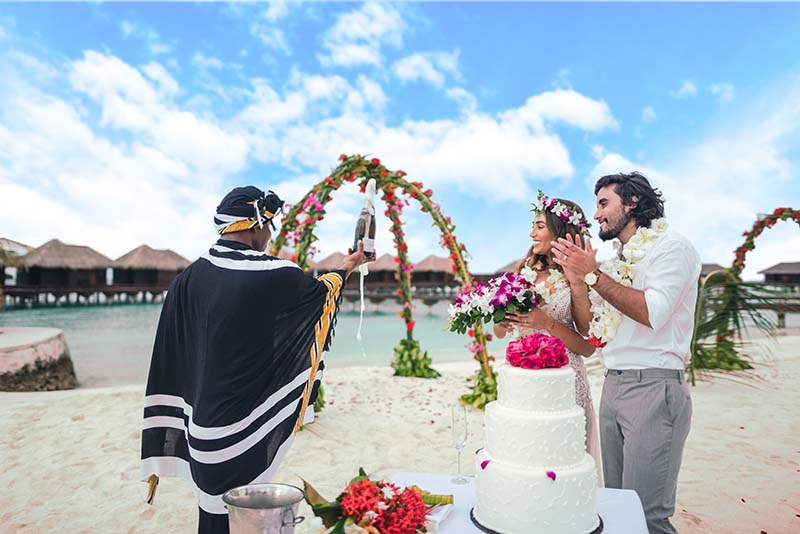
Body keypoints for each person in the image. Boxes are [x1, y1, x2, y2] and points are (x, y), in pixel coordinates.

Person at [140, 186, 368, 534]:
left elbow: (175, 354)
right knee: (240, 522)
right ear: (256, 224)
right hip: (239, 434)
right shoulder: (272, 272)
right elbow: (320, 294)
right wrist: (350, 264)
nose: (270, 235)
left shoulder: (186, 279)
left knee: (212, 520)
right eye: (269, 226)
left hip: (198, 432)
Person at [552, 172, 700, 534]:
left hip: (654, 386)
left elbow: (653, 312)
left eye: (604, 203)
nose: (596, 214)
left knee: (646, 516)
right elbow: (590, 328)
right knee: (617, 508)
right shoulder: (617, 261)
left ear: (632, 203)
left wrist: (593, 276)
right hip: (613, 385)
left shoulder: (671, 248)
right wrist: (578, 284)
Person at [496, 192, 602, 479]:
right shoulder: (522, 272)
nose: (532, 233)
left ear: (560, 231)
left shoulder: (578, 278)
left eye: (540, 226)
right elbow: (499, 331)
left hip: (565, 382)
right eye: (533, 226)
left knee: (566, 469)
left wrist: (546, 323)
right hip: (525, 381)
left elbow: (587, 347)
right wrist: (503, 322)